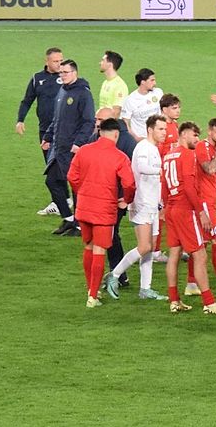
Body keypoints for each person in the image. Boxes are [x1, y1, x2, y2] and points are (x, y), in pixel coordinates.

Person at [67, 118, 136, 308]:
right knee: (99, 249)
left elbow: (72, 176)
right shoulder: (119, 157)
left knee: (88, 246)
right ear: (116, 134)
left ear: (99, 132)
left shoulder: (84, 151)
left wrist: (82, 192)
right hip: (104, 210)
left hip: (84, 207)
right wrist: (127, 200)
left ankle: (91, 289)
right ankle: (92, 296)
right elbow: (129, 183)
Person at [161, 122, 216, 315]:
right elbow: (190, 187)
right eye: (194, 135)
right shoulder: (188, 155)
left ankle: (174, 300)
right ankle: (209, 302)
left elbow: (164, 184)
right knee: (200, 255)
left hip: (171, 208)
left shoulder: (168, 156)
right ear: (184, 134)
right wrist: (200, 211)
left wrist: (165, 207)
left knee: (174, 254)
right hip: (185, 209)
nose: (197, 139)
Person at [106, 115, 168, 301]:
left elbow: (155, 180)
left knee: (150, 248)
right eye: (160, 129)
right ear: (150, 130)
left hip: (153, 204)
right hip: (141, 203)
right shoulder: (143, 147)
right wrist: (162, 170)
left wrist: (160, 201)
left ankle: (145, 288)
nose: (164, 133)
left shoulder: (154, 149)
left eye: (165, 129)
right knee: (144, 246)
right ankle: (114, 274)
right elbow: (141, 167)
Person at [42, 60, 95, 237]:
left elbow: (89, 121)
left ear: (75, 73)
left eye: (65, 72)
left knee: (76, 187)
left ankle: (80, 226)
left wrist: (79, 143)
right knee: (51, 181)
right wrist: (48, 136)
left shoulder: (83, 93)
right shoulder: (63, 90)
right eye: (61, 72)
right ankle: (69, 218)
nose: (62, 75)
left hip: (73, 150)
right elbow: (57, 118)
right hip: (59, 147)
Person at [17, 47, 64, 216]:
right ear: (47, 61)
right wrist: (20, 120)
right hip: (44, 130)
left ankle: (62, 201)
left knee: (60, 166)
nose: (59, 64)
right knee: (51, 166)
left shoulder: (65, 77)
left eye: (61, 60)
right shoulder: (37, 79)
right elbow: (27, 100)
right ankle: (61, 200)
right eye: (56, 61)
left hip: (63, 130)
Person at [93, 109, 136, 291]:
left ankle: (118, 274)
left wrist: (125, 198)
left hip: (117, 198)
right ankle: (118, 274)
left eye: (101, 119)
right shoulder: (97, 136)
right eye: (96, 119)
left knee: (111, 235)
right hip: (102, 197)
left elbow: (132, 174)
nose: (97, 122)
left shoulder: (127, 142)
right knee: (110, 235)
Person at [196, 117, 216, 296]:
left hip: (211, 202)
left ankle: (191, 284)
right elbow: (209, 169)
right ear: (209, 132)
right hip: (204, 202)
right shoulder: (202, 147)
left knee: (201, 243)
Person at [121, 68, 163, 142]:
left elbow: (165, 111)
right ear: (143, 82)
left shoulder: (158, 92)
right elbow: (125, 123)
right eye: (152, 80)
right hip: (142, 140)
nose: (155, 83)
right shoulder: (131, 100)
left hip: (159, 138)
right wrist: (136, 138)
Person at [98, 51, 128, 116]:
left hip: (110, 122)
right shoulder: (105, 82)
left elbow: (116, 112)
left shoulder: (120, 85)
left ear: (110, 64)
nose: (100, 63)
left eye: (103, 60)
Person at [157, 93, 181, 158]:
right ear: (164, 110)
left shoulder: (175, 124)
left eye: (179, 108)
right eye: (174, 108)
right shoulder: (160, 127)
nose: (178, 111)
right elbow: (157, 152)